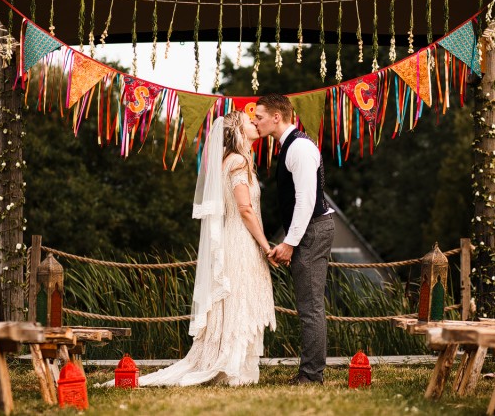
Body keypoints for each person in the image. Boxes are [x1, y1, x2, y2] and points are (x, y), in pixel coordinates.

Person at [101, 111, 276, 387]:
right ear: (239, 133)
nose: (255, 123)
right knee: (239, 299)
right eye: (248, 122)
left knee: (233, 300)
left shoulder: (227, 161)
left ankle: (230, 362)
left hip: (231, 237)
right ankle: (233, 367)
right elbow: (244, 209)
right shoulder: (239, 161)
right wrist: (266, 245)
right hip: (241, 239)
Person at [253, 94, 335, 385]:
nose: (254, 121)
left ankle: (312, 376)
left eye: (259, 116)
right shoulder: (289, 145)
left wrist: (289, 242)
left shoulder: (298, 147)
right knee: (307, 305)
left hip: (312, 229)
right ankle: (310, 372)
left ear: (277, 117)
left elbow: (306, 199)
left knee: (310, 306)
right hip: (309, 230)